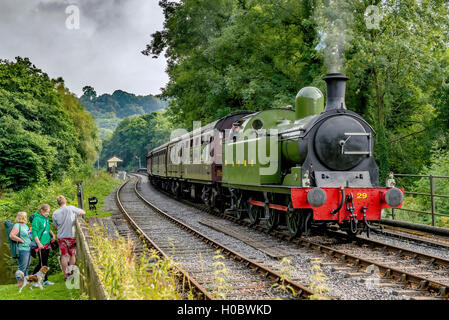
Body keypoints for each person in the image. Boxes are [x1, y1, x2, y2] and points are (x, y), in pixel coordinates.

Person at [52, 195, 86, 280]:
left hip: (61, 237)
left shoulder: (55, 213)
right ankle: (70, 273)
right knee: (72, 255)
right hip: (70, 236)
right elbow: (82, 212)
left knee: (64, 256)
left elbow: (55, 226)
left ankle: (66, 276)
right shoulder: (70, 208)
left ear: (58, 203)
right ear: (65, 201)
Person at [31, 204, 56, 286]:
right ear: (41, 211)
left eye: (48, 212)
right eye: (46, 212)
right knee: (40, 263)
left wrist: (53, 235)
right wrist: (39, 244)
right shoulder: (36, 219)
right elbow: (34, 233)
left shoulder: (46, 218)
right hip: (40, 244)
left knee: (45, 263)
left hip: (47, 243)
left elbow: (47, 228)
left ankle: (45, 281)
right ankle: (33, 280)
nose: (47, 214)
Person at [9, 212, 32, 288]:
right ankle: (19, 283)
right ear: (22, 217)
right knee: (22, 267)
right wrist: (20, 240)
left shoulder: (25, 226)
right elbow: (12, 235)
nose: (26, 218)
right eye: (25, 216)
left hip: (28, 248)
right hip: (22, 249)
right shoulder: (17, 225)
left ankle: (26, 282)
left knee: (27, 266)